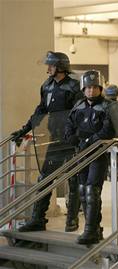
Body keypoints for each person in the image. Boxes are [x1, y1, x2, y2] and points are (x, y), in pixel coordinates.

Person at [12, 51, 83, 233]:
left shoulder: (74, 87)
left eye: (50, 65)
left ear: (60, 67)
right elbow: (40, 111)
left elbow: (80, 113)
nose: (48, 68)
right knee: (45, 178)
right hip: (55, 138)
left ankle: (72, 218)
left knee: (73, 179)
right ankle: (38, 219)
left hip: (71, 139)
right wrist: (24, 130)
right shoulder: (47, 86)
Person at [65, 70, 114, 245]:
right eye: (88, 88)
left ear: (100, 88)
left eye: (94, 87)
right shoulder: (78, 106)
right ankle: (94, 228)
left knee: (92, 191)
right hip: (81, 154)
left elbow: (108, 130)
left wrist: (90, 141)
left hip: (98, 154)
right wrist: (73, 138)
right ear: (83, 89)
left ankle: (90, 230)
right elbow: (69, 126)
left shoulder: (107, 107)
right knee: (82, 191)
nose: (91, 91)